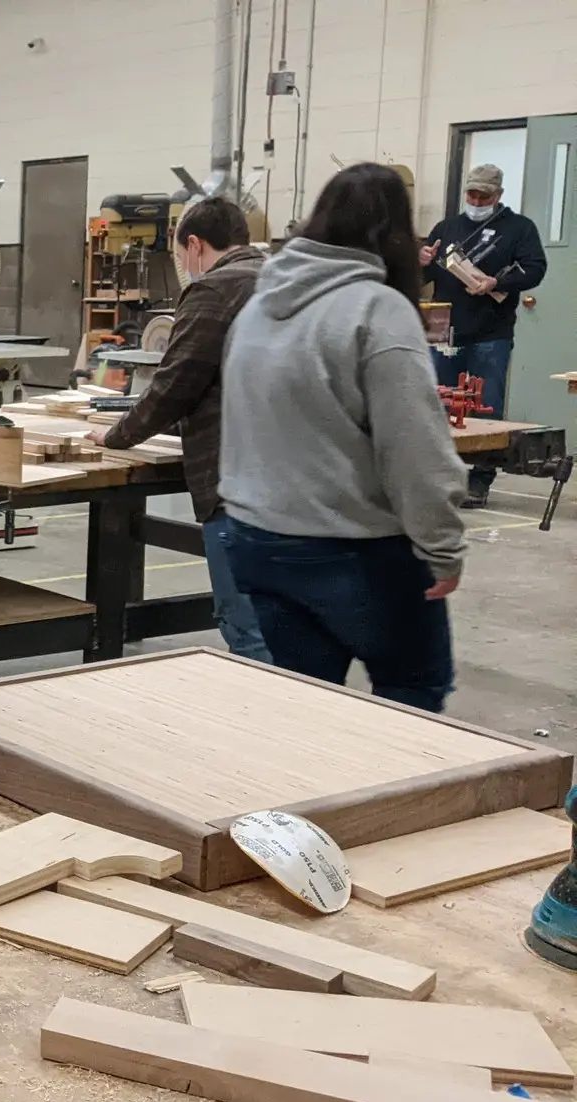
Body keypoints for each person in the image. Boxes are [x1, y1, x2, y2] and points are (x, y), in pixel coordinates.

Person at [218, 163, 468, 713]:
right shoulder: (378, 310)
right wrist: (442, 547)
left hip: (258, 540)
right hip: (351, 549)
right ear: (395, 233)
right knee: (411, 694)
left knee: (307, 705)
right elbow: (415, 451)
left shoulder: (259, 305)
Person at [92, 197, 269, 662]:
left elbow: (175, 386)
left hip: (235, 481)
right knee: (287, 623)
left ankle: (272, 706)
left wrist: (116, 435)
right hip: (296, 480)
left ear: (194, 245)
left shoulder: (215, 290)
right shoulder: (284, 279)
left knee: (248, 628)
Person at [419, 162, 547, 505]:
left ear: (498, 195)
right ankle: (442, 476)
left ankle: (479, 480)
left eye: (484, 196)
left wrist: (496, 282)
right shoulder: (446, 228)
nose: (476, 201)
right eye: (472, 194)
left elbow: (535, 269)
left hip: (491, 333)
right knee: (439, 404)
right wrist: (420, 261)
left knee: (484, 406)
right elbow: (421, 277)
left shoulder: (519, 229)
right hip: (444, 333)